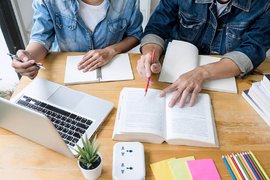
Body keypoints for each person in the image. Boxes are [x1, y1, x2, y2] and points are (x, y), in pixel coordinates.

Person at [137, 0, 270, 108]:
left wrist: (201, 73)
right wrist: (150, 55)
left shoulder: (264, 4)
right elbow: (156, 29)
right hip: (170, 76)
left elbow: (252, 50)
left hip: (225, 81)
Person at [12, 0, 143, 79]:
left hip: (113, 70)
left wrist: (111, 51)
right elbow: (41, 39)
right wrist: (27, 57)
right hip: (66, 72)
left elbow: (135, 35)